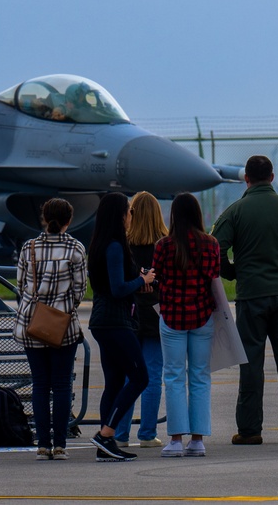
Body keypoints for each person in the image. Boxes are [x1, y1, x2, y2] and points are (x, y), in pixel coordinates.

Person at [211, 154, 278, 445]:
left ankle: (250, 428)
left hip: (251, 296)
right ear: (273, 177)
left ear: (247, 179)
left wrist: (232, 272)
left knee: (251, 364)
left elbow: (214, 249)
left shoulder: (236, 210)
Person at [12, 198, 86, 460]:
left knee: (40, 385)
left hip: (33, 324)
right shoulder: (76, 248)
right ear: (69, 220)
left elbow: (21, 286)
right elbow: (80, 291)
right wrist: (62, 305)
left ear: (44, 218)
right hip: (63, 326)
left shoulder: (29, 247)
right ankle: (60, 445)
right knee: (62, 385)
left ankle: (42, 445)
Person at [87, 192, 157, 462]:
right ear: (120, 214)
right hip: (114, 321)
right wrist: (143, 280)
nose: (131, 215)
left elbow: (111, 282)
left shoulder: (101, 243)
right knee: (140, 377)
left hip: (104, 320)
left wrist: (137, 278)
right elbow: (117, 289)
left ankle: (107, 444)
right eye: (129, 210)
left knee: (115, 382)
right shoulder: (115, 245)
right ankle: (106, 434)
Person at [152, 193, 218, 458]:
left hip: (172, 316)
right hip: (202, 315)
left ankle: (176, 439)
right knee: (200, 376)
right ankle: (198, 439)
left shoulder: (164, 245)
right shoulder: (210, 243)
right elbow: (214, 276)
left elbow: (155, 278)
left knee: (174, 376)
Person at [114, 191, 168, 449]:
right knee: (153, 374)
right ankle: (147, 433)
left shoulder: (124, 245)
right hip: (158, 314)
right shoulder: (165, 244)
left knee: (129, 374)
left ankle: (120, 433)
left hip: (130, 314)